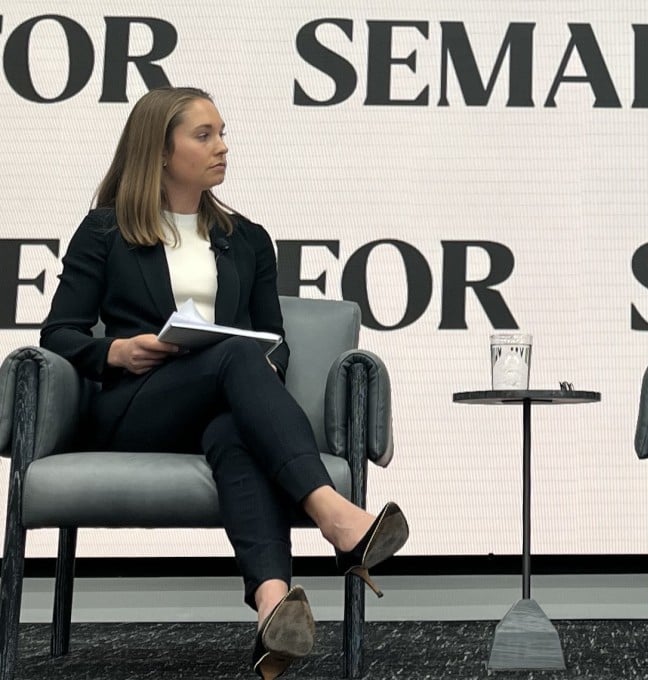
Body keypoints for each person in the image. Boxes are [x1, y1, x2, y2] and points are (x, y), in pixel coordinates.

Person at [39, 86, 409, 680]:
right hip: (136, 409)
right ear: (160, 151)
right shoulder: (106, 231)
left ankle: (272, 609)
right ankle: (336, 518)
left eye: (222, 133)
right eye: (204, 135)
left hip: (217, 409)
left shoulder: (248, 238)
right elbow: (57, 334)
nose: (222, 147)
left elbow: (275, 340)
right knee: (235, 355)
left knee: (238, 424)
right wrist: (115, 350)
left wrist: (259, 367)